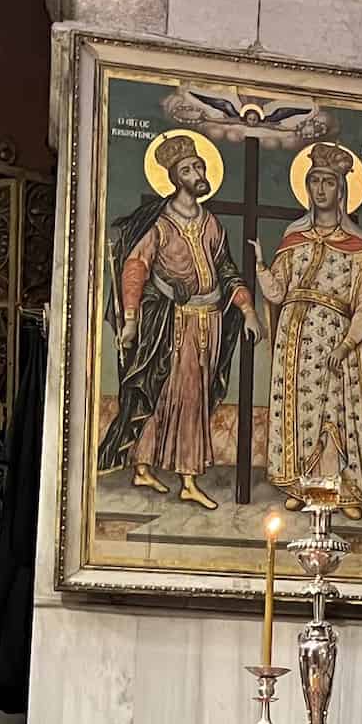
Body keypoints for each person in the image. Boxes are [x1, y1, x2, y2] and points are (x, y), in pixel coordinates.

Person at [97, 132, 254, 510]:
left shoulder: (211, 222)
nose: (197, 172)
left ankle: (143, 465)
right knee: (178, 395)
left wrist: (247, 309)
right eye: (188, 168)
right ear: (173, 177)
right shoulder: (160, 222)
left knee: (181, 396)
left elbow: (226, 270)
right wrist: (131, 320)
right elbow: (136, 267)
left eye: (199, 165)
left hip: (210, 321)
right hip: (174, 322)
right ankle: (187, 478)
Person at [258, 141, 362, 511]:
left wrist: (347, 344)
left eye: (328, 182)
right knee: (300, 413)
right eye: (314, 180)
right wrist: (260, 268)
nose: (320, 188)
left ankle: (341, 490)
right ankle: (303, 487)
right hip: (293, 345)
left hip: (333, 342)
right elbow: (278, 291)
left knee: (335, 414)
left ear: (341, 189)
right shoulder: (294, 238)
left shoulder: (359, 247)